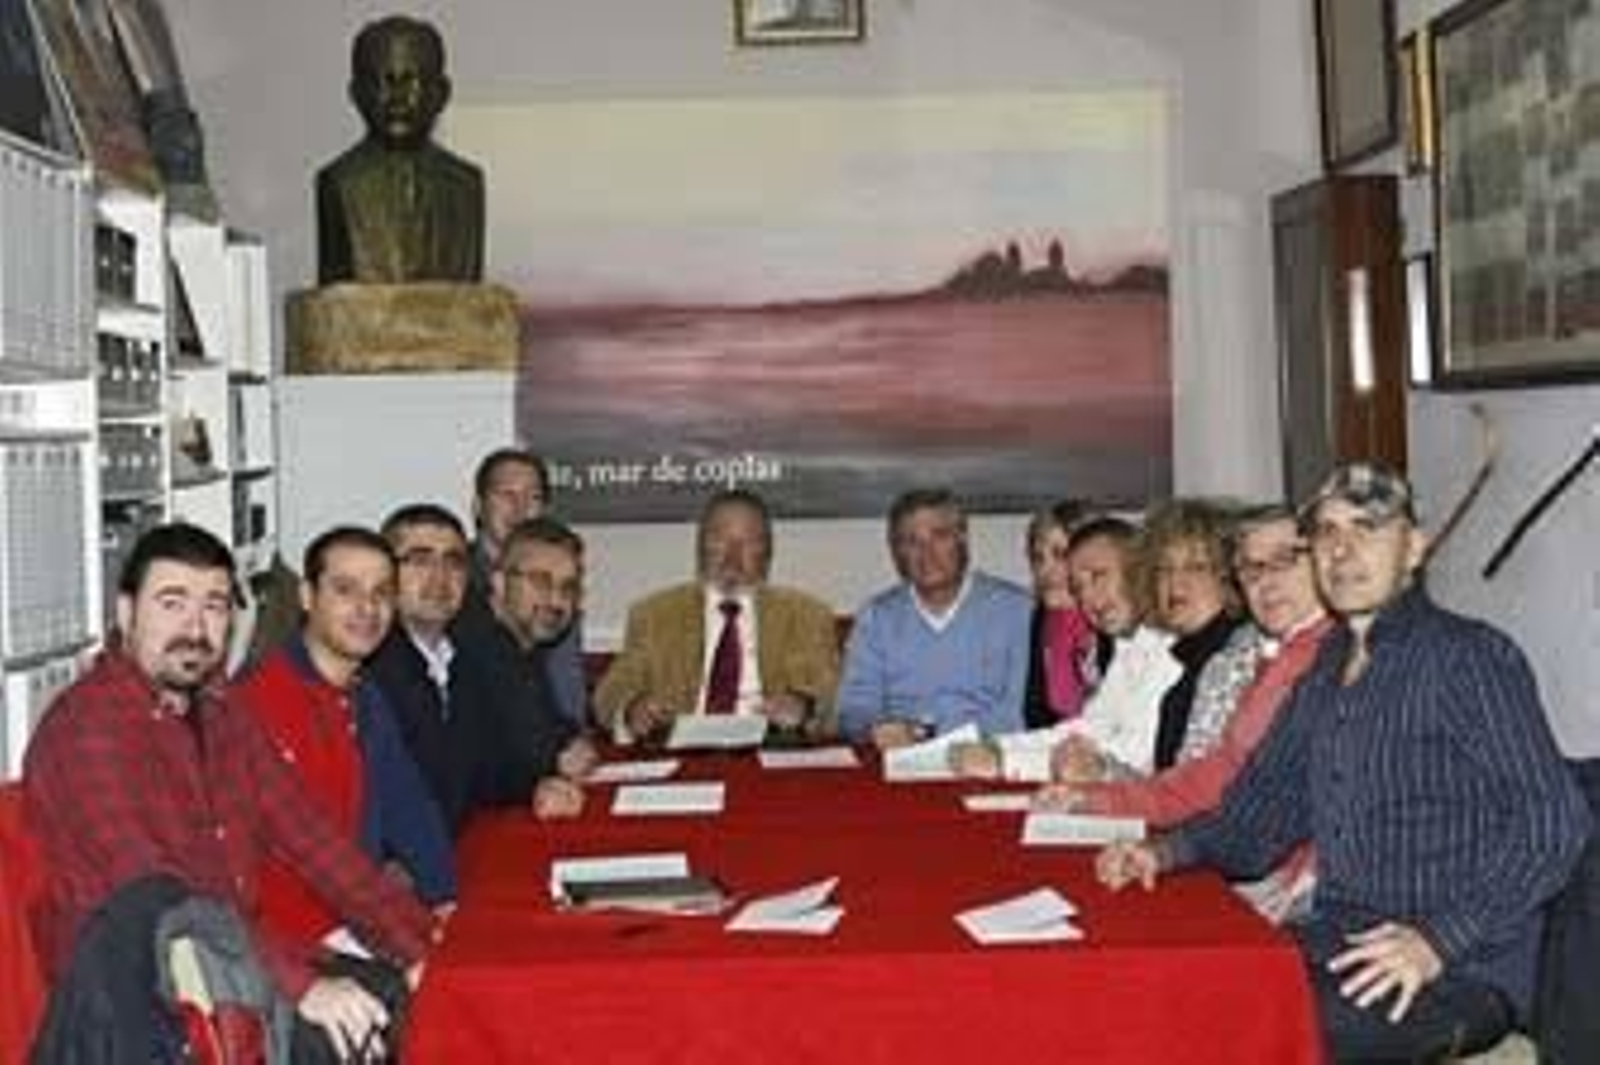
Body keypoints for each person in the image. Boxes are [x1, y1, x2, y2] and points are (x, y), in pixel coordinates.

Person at [1096, 463, 1590, 1062]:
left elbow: (1555, 821)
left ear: (1413, 548)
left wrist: (1436, 941)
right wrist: (1161, 851)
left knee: (1250, 1036)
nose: (1343, 550)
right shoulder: (1325, 667)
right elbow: (1260, 813)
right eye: (1326, 533)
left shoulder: (1468, 658)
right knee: (1168, 997)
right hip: (1339, 938)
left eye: (1368, 529)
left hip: (1456, 969)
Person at [23, 524, 436, 1058]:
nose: (196, 627)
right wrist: (302, 987)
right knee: (346, 1031)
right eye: (173, 603)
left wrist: (417, 949)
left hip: (225, 970)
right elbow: (166, 902)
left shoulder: (222, 714)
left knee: (405, 1000)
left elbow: (314, 840)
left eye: (215, 606)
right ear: (126, 615)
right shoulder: (90, 727)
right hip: (138, 1006)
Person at [1038, 504, 1332, 920]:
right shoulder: (1264, 653)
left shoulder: (1279, 656)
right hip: (1236, 858)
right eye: (1252, 568)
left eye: (1283, 561)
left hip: (1286, 888)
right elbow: (1210, 775)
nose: (1266, 580)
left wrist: (1156, 842)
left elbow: (1229, 799)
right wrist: (1099, 796)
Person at [234, 526, 456, 959]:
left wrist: (445, 900)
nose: (367, 609)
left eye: (381, 593)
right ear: (306, 596)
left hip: (359, 919)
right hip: (294, 945)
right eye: (346, 590)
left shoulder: (366, 695)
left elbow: (407, 807)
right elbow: (301, 859)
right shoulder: (260, 701)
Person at [367, 503, 556, 833]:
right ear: (385, 574)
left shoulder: (462, 659)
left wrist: (537, 787)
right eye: (420, 560)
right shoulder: (370, 669)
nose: (440, 577)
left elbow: (482, 771)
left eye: (454, 562)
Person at [595, 489, 840, 743]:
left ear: (767, 552)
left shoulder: (807, 615)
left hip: (771, 747)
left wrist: (806, 707)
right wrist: (632, 708)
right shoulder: (654, 614)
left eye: (748, 543)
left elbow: (835, 698)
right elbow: (609, 694)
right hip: (682, 750)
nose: (732, 557)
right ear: (700, 546)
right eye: (719, 540)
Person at [950, 514, 1179, 780]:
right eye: (1079, 587)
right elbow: (1090, 728)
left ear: (1139, 569)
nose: (1089, 597)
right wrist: (996, 746)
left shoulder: (1171, 645)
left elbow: (1132, 757)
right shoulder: (1131, 644)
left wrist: (1005, 761)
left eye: (1098, 576)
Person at [837, 488, 1032, 749]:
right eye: (911, 541)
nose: (926, 553)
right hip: (899, 760)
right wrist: (874, 729)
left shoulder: (1017, 609)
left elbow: (1020, 711)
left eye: (939, 536)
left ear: (963, 539)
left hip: (987, 756)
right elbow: (853, 710)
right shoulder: (876, 616)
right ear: (896, 553)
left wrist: (935, 735)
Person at [315, 14, 483, 284]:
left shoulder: (467, 185)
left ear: (441, 93)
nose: (398, 98)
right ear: (357, 93)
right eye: (384, 80)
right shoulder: (338, 183)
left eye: (411, 79)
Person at [455, 515, 596, 816]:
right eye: (540, 582)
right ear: (499, 582)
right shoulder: (468, 642)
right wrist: (552, 761)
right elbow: (502, 761)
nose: (556, 601)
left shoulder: (526, 644)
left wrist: (567, 742)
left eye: (568, 588)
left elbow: (551, 727)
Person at [464, 447, 589, 727]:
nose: (520, 509)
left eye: (532, 498)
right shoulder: (452, 581)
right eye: (507, 495)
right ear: (478, 507)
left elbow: (568, 696)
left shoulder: (561, 584)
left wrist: (569, 740)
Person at [1021, 500, 1097, 729]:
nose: (1045, 570)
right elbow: (1036, 713)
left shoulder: (1108, 622)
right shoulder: (1042, 619)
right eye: (1038, 558)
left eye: (1059, 555)